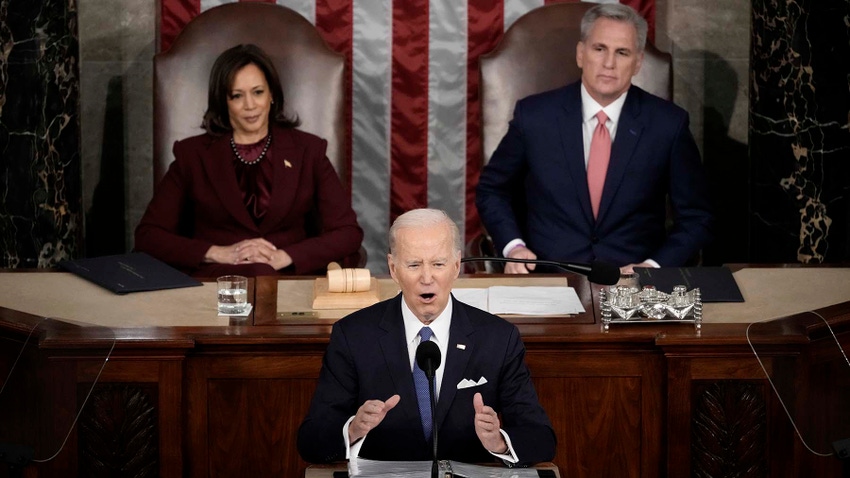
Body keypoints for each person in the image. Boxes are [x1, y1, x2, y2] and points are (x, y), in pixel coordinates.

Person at [297, 208, 555, 466]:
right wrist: (353, 430)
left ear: (456, 266)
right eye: (414, 265)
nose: (427, 278)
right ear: (393, 268)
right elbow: (311, 442)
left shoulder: (498, 338)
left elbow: (541, 438)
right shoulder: (354, 336)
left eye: (438, 264)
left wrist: (498, 441)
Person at [475, 3, 712, 275]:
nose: (609, 63)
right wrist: (513, 248)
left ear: (638, 63)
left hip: (633, 288)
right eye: (599, 49)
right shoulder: (534, 116)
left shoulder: (669, 125)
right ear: (580, 54)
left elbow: (698, 218)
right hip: (547, 280)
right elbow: (492, 190)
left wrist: (652, 268)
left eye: (622, 52)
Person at [135, 44, 363, 277]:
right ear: (223, 101)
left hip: (288, 278)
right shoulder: (192, 155)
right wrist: (216, 252)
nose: (250, 105)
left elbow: (348, 232)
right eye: (237, 96)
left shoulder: (308, 151)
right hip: (217, 281)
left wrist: (284, 256)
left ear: (272, 94)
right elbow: (148, 236)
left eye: (258, 92)